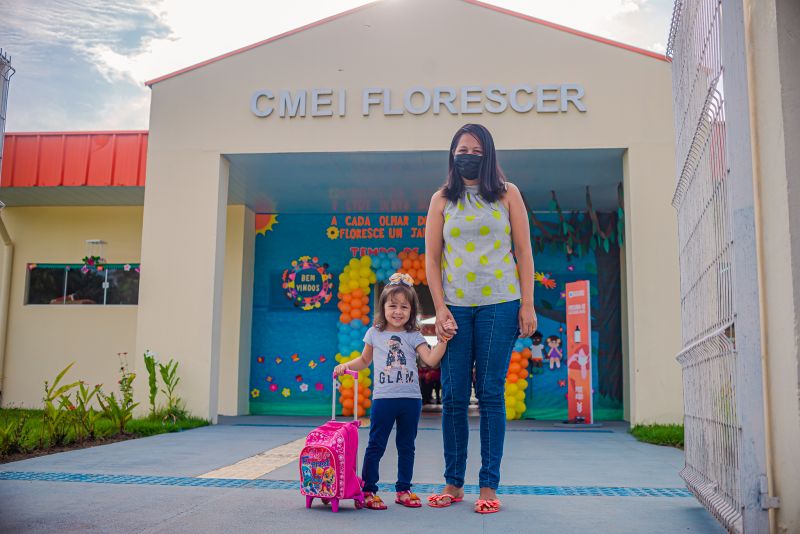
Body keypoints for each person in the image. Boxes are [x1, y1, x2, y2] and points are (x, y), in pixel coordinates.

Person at [424, 123, 537, 514]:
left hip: (500, 305)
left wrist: (527, 304)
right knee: (454, 395)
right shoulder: (441, 199)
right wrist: (439, 308)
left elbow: (524, 251)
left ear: (487, 155)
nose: (467, 156)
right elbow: (431, 259)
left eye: (475, 150)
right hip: (454, 309)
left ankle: (489, 486)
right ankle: (453, 483)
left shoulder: (508, 194)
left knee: (489, 393)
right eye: (461, 150)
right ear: (452, 155)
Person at [333, 272, 451, 510]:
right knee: (376, 444)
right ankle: (368, 490)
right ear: (383, 307)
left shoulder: (414, 335)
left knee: (407, 446)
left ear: (412, 310)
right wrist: (345, 366)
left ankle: (403, 489)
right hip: (384, 399)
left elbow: (430, 360)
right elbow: (364, 361)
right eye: (393, 305)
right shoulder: (374, 333)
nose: (398, 311)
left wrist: (443, 340)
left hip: (411, 400)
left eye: (404, 307)